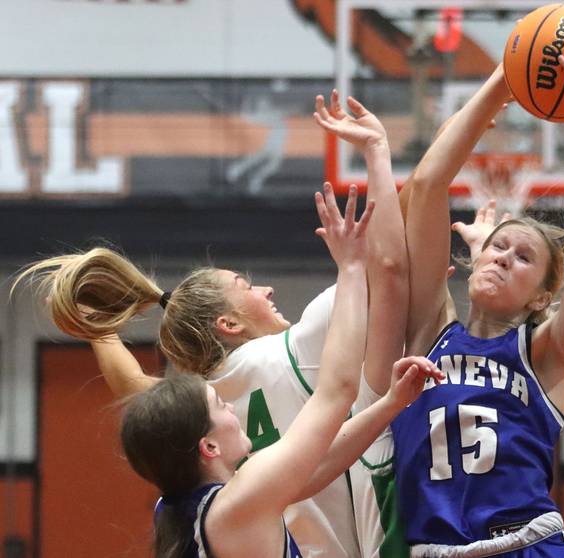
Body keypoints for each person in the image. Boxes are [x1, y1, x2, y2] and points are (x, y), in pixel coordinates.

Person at [14, 93, 408, 558]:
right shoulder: (292, 348)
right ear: (228, 322)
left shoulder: (189, 439)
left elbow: (133, 386)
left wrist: (99, 330)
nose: (265, 290)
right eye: (246, 285)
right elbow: (389, 271)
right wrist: (379, 159)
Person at [392, 28, 564, 557]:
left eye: (523, 258)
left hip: (530, 544)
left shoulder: (545, 354)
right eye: (498, 247)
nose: (502, 257)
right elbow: (426, 187)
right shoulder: (429, 332)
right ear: (476, 258)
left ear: (541, 297)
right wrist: (504, 79)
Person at [119, 184, 442, 558]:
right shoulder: (238, 501)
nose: (230, 408)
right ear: (208, 447)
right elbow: (336, 392)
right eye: (220, 407)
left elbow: (314, 467)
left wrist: (389, 404)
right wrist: (352, 265)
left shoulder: (175, 509)